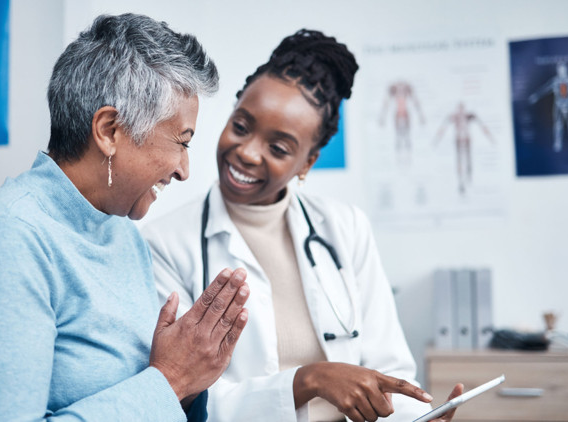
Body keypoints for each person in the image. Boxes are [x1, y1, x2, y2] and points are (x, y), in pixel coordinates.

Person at [0, 13, 251, 421]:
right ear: (110, 130)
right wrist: (170, 381)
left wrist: (189, 380)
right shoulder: (2, 239)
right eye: (181, 142)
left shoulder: (120, 232)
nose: (184, 169)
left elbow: (142, 392)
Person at [143, 29, 463, 422]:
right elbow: (181, 395)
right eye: (241, 126)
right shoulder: (165, 242)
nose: (246, 152)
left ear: (307, 163)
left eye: (278, 148)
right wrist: (306, 381)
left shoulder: (345, 227)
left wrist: (417, 416)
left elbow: (389, 371)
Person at [433, 101, 494, 195]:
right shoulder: (454, 117)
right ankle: (461, 182)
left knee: (468, 160)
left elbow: (481, 125)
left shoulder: (468, 116)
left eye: (462, 108)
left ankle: (469, 178)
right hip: (458, 140)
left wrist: (490, 137)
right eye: (459, 108)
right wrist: (437, 139)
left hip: (466, 139)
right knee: (459, 161)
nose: (461, 111)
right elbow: (443, 127)